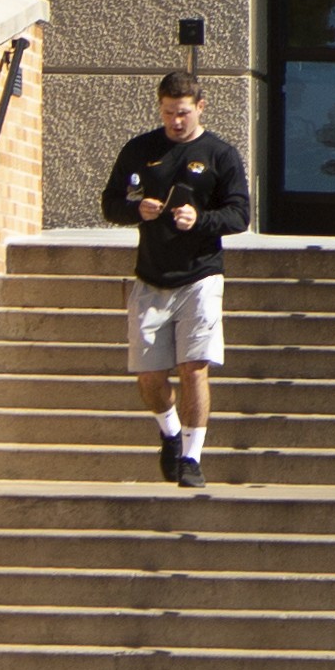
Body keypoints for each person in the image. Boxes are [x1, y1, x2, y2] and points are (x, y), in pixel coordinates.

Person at [99, 68, 250, 488]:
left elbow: (240, 214)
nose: (174, 121)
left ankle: (192, 457)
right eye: (168, 113)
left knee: (193, 367)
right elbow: (111, 203)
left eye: (182, 113)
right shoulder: (141, 149)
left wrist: (200, 219)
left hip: (201, 276)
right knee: (149, 376)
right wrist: (136, 211)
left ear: (200, 107)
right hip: (151, 275)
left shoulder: (221, 154)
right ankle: (169, 433)